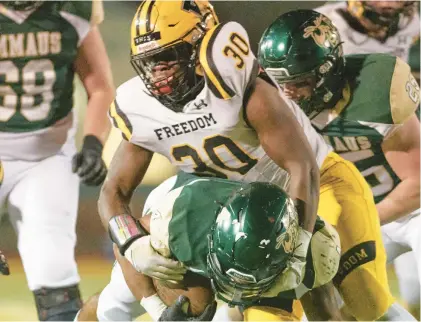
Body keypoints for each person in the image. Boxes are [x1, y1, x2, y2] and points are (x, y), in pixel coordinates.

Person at [99, 0, 399, 320]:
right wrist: (132, 245)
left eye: (168, 57)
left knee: (364, 299)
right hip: (247, 207)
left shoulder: (237, 86)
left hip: (315, 184)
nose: (158, 72)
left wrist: (299, 246)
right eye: (149, 62)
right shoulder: (140, 108)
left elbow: (303, 166)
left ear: (202, 43)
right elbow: (113, 193)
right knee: (267, 314)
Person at [258, 8, 420, 321]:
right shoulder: (273, 108)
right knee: (338, 306)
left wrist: (361, 216)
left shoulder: (376, 93)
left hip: (410, 211)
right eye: (280, 82)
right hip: (348, 211)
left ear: (327, 71)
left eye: (298, 82)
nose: (287, 94)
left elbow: (419, 183)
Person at [78, 173, 342, 321]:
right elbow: (124, 241)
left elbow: (326, 312)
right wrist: (156, 310)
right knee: (115, 307)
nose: (237, 288)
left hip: (260, 257)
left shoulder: (310, 249)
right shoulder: (182, 222)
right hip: (190, 230)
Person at [0, 1, 114, 320]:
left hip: (47, 156)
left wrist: (93, 143)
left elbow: (100, 87)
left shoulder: (71, 9)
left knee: (53, 269)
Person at [316, 1, 420, 316]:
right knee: (340, 301)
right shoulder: (326, 26)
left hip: (399, 177)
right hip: (368, 189)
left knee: (414, 291)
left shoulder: (386, 101)